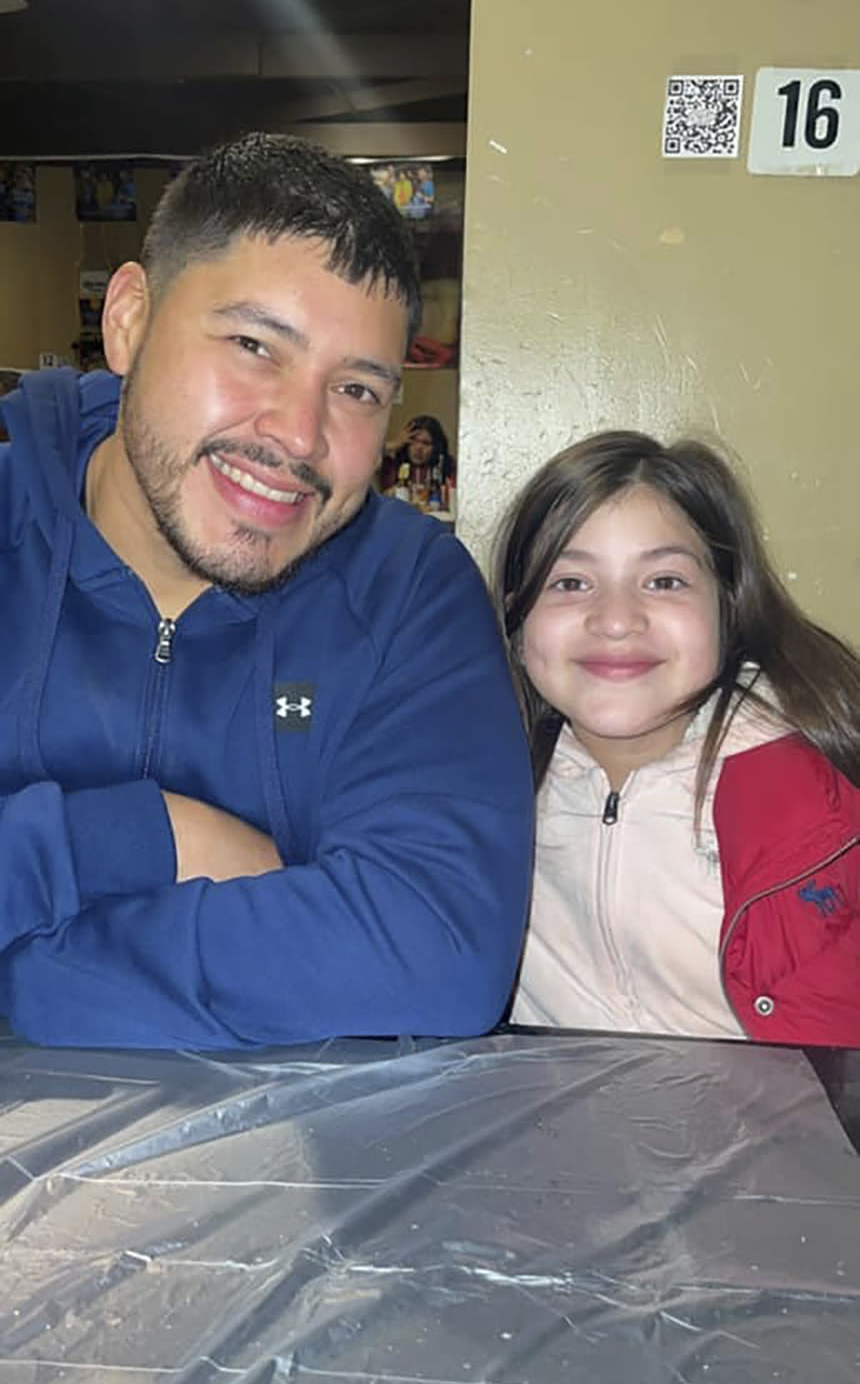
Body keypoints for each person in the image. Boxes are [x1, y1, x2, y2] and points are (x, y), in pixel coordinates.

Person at [0, 132, 533, 1050]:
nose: (298, 435)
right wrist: (139, 838)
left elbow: (438, 950)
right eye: (254, 344)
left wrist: (27, 971)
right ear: (129, 319)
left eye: (359, 390)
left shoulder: (410, 592)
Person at [493, 431, 859, 1047]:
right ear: (516, 615)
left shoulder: (824, 791)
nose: (615, 619)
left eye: (664, 582)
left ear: (728, 603)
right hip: (559, 1132)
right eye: (570, 582)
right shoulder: (481, 784)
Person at [380, 414, 455, 504]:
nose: (418, 448)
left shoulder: (447, 466)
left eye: (426, 443)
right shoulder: (392, 466)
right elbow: (365, 454)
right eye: (413, 441)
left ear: (436, 447)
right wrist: (395, 444)